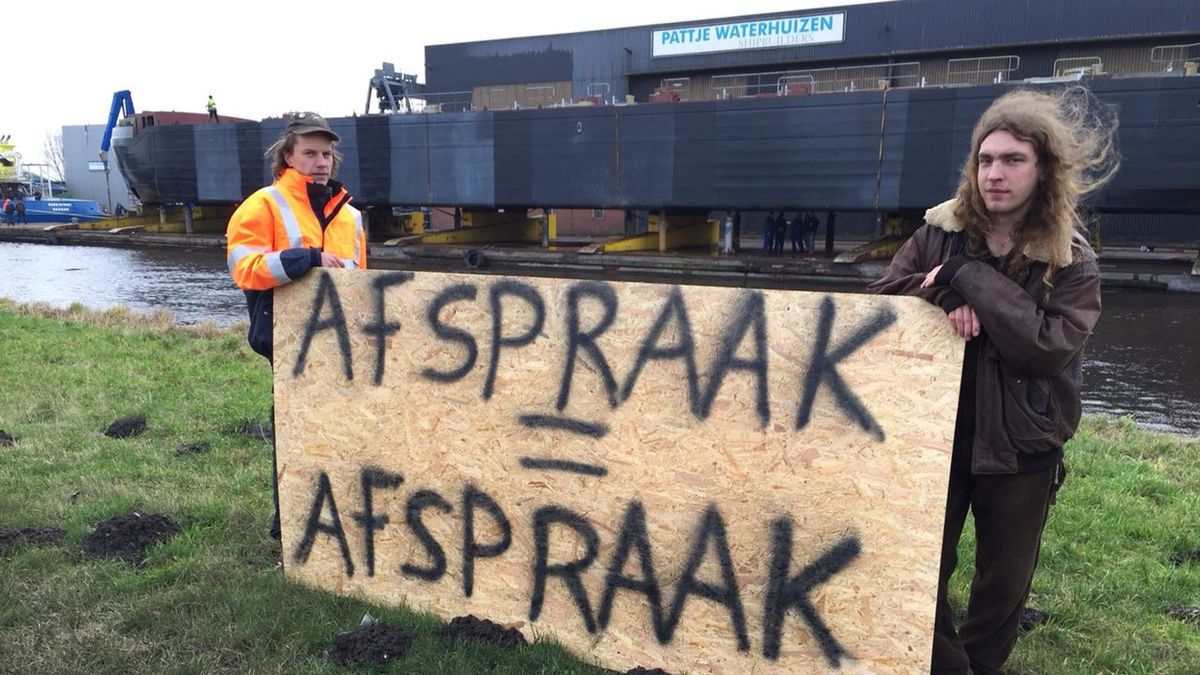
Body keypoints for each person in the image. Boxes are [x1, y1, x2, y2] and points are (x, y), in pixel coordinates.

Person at [869, 86, 1118, 675]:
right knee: (918, 568)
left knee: (1003, 586)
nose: (995, 174)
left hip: (1022, 444)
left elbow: (1043, 347)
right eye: (985, 159)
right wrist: (944, 293)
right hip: (935, 436)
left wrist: (965, 276)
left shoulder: (1070, 259)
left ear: (1043, 170)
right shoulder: (938, 233)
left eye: (1012, 160)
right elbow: (881, 300)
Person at [226, 111, 366, 539]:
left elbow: (361, 279)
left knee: (341, 430)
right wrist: (305, 259)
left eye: (326, 154)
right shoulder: (264, 205)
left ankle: (335, 518)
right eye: (310, 153)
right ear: (288, 156)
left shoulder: (350, 216)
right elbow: (243, 268)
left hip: (341, 341)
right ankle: (287, 524)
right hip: (286, 339)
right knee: (294, 430)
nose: (321, 162)